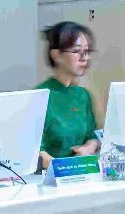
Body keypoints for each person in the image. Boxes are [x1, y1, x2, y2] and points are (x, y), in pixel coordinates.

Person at [38, 19, 100, 161]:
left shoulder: (83, 95)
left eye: (87, 51)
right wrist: (64, 167)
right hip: (51, 172)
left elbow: (91, 135)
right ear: (56, 55)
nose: (84, 58)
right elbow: (35, 150)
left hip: (80, 169)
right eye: (77, 51)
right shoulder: (40, 97)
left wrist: (90, 146)